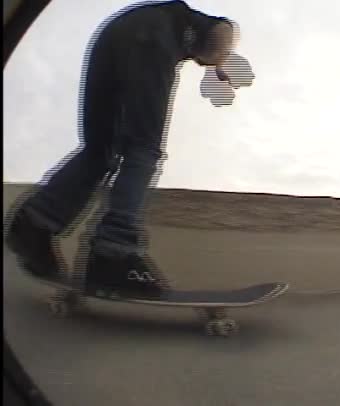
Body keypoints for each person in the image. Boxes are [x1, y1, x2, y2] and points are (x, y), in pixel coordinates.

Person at [5, 0, 241, 300]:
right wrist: (219, 63)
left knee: (100, 148)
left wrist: (215, 66)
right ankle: (113, 253)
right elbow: (222, 34)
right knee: (144, 149)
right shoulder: (197, 27)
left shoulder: (167, 20)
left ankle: (33, 225)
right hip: (152, 36)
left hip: (114, 32)